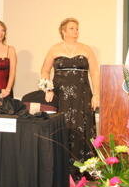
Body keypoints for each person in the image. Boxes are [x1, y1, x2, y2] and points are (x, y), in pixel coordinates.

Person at [40, 18, 100, 170]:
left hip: (82, 95)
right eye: (72, 28)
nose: (76, 31)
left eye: (77, 28)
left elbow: (94, 73)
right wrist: (48, 89)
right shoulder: (54, 49)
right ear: (63, 31)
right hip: (61, 96)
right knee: (63, 127)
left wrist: (97, 94)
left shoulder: (86, 49)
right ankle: (62, 167)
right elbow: (45, 70)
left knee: (82, 127)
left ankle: (84, 167)